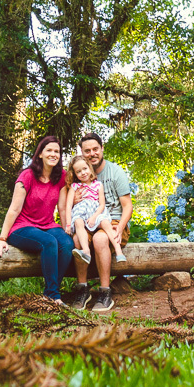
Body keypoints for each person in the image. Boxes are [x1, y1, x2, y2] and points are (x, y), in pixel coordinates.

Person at [0, 136, 74, 304]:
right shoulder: (27, 176)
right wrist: (2, 238)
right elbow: (14, 209)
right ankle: (53, 296)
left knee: (66, 244)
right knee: (49, 242)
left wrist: (66, 229)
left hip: (48, 224)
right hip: (22, 227)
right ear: (40, 154)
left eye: (56, 151)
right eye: (49, 150)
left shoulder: (61, 176)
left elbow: (63, 208)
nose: (53, 154)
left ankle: (51, 291)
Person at [64, 131, 133, 312]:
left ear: (102, 149)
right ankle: (82, 289)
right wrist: (76, 201)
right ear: (82, 153)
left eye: (95, 149)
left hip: (113, 221)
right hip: (86, 221)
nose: (92, 153)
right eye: (87, 150)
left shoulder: (115, 172)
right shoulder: (78, 176)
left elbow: (128, 206)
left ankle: (105, 292)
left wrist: (120, 228)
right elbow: (67, 203)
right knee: (78, 240)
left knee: (100, 239)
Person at [63, 155, 122, 265]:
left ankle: (118, 251)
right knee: (78, 222)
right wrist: (67, 224)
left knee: (105, 222)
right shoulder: (74, 186)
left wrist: (94, 217)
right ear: (74, 174)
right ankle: (86, 251)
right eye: (79, 171)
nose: (83, 173)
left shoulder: (98, 185)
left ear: (90, 168)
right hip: (81, 212)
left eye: (85, 169)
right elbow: (68, 205)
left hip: (95, 212)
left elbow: (102, 204)